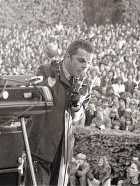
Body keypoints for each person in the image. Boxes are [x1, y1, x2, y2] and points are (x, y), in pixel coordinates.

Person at [27, 39, 94, 186]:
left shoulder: (84, 84)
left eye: (88, 62)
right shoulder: (47, 71)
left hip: (62, 151)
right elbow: (33, 97)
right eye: (81, 60)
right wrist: (51, 79)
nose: (85, 66)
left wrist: (77, 105)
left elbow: (77, 118)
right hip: (40, 150)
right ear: (67, 57)